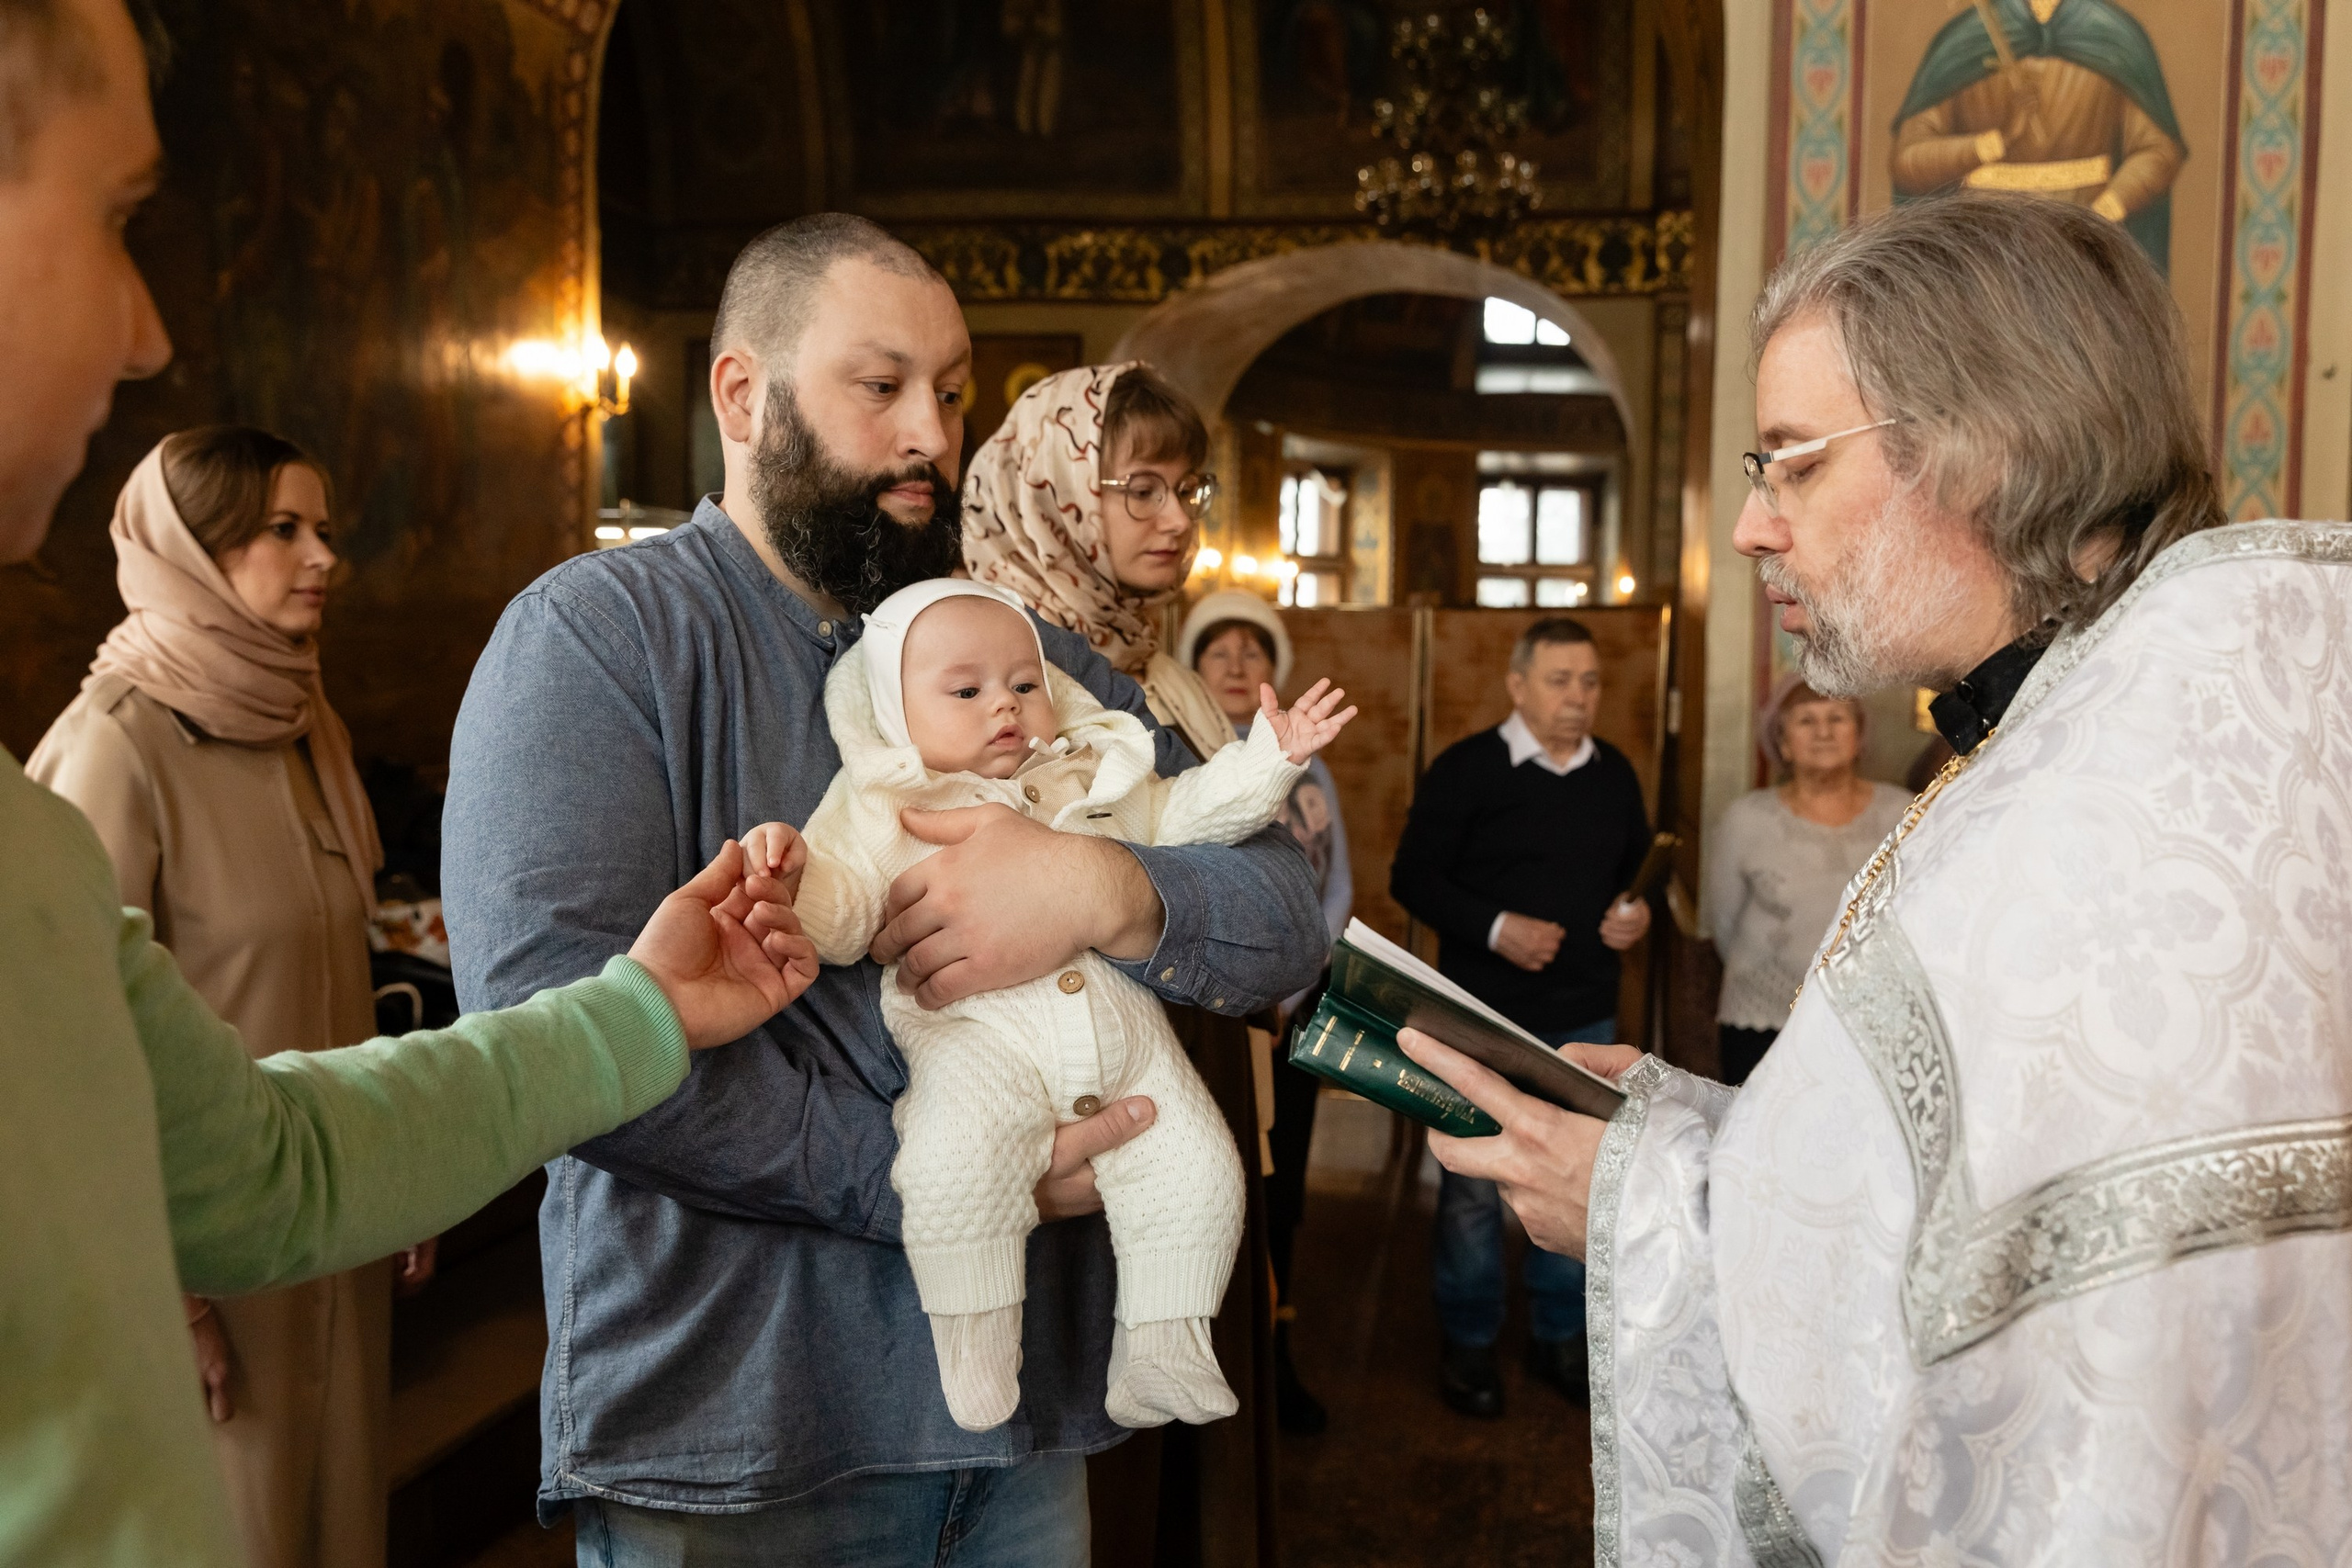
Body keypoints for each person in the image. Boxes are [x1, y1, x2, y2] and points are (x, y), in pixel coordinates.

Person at [1402, 192, 2352, 1562]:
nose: (1747, 527)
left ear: (1987, 444)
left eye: (1791, 461)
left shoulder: (2097, 824)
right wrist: (1697, 1129)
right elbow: (1983, 1193)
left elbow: (2047, 1380)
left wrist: (1637, 1202)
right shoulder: (2153, 715)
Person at [0, 12, 820, 1564]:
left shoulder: (29, 843)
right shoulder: (106, 750)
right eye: (115, 221)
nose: (148, 333)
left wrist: (640, 1006)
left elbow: (266, 1162)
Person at [440, 220, 1328, 1567]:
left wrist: (1096, 881)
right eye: (882, 385)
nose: (932, 431)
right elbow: (554, 1023)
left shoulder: (1003, 634)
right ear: (744, 396)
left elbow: (1281, 916)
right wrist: (933, 1177)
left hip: (1018, 1431)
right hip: (742, 1421)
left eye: (955, 389)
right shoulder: (596, 634)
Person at [741, 579, 1352, 1435]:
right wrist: (790, 887)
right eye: (965, 691)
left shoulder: (1092, 778)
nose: (1005, 706)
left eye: (1024, 684)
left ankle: (1161, 1351)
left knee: (1202, 1168)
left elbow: (1189, 813)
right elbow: (845, 904)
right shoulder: (889, 803)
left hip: (1126, 1040)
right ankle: (976, 1343)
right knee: (954, 1158)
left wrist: (1267, 761)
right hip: (976, 1038)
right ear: (892, 712)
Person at [25, 427, 432, 1568]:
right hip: (204, 1254)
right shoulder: (115, 745)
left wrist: (401, 1171)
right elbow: (70, 1049)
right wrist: (176, 1294)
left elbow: (340, 985)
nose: (322, 558)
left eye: (326, 531)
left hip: (332, 1223)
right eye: (281, 531)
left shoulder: (310, 725)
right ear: (188, 553)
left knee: (343, 1524)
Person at [960, 363, 1295, 1562]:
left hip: (1189, 1033)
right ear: (1054, 492)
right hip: (1082, 1080)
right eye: (1138, 488)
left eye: (1190, 489)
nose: (1175, 519)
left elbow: (1273, 883)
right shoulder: (1000, 668)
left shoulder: (1154, 664)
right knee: (1099, 1449)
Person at [1388, 615, 1651, 1419]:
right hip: (1478, 1017)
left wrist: (1633, 918)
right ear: (1518, 684)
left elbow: (1631, 883)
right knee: (1472, 1188)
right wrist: (1498, 926)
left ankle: (1559, 1334)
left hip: (1585, 1018)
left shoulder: (1616, 776)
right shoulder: (1468, 770)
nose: (1579, 697)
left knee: (1583, 1178)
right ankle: (1470, 1340)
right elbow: (1412, 878)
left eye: (1591, 682)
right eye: (1560, 680)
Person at [1177, 588, 1352, 1437]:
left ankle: (1279, 1359)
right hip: (1220, 1013)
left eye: (1255, 653)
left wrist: (1298, 978)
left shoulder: (1311, 766)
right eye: (1221, 653)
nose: (1241, 666)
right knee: (1224, 1183)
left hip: (1299, 1009)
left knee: (1288, 1190)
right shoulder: (1186, 757)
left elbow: (1338, 881)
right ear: (1196, 670)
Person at [1703, 674, 1905, 1086]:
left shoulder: (1902, 812)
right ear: (1781, 743)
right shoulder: (1746, 819)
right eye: (1806, 721)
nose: (1824, 732)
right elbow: (1722, 922)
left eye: (1837, 718)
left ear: (1860, 737)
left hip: (1871, 1021)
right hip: (1761, 1021)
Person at [1890, 0, 2185, 274]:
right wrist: (1994, 144)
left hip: (2081, 255)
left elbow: (2157, 151)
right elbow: (1910, 158)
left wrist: (2099, 216)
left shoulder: (2116, 37)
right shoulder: (1967, 39)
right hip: (1982, 251)